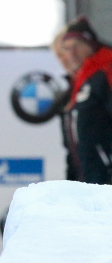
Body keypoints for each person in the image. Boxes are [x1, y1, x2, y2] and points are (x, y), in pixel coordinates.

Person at [51, 16, 112, 185]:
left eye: (77, 46)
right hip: (88, 185)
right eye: (67, 49)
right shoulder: (77, 87)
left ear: (91, 45)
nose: (71, 54)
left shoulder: (105, 74)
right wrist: (72, 185)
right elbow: (74, 147)